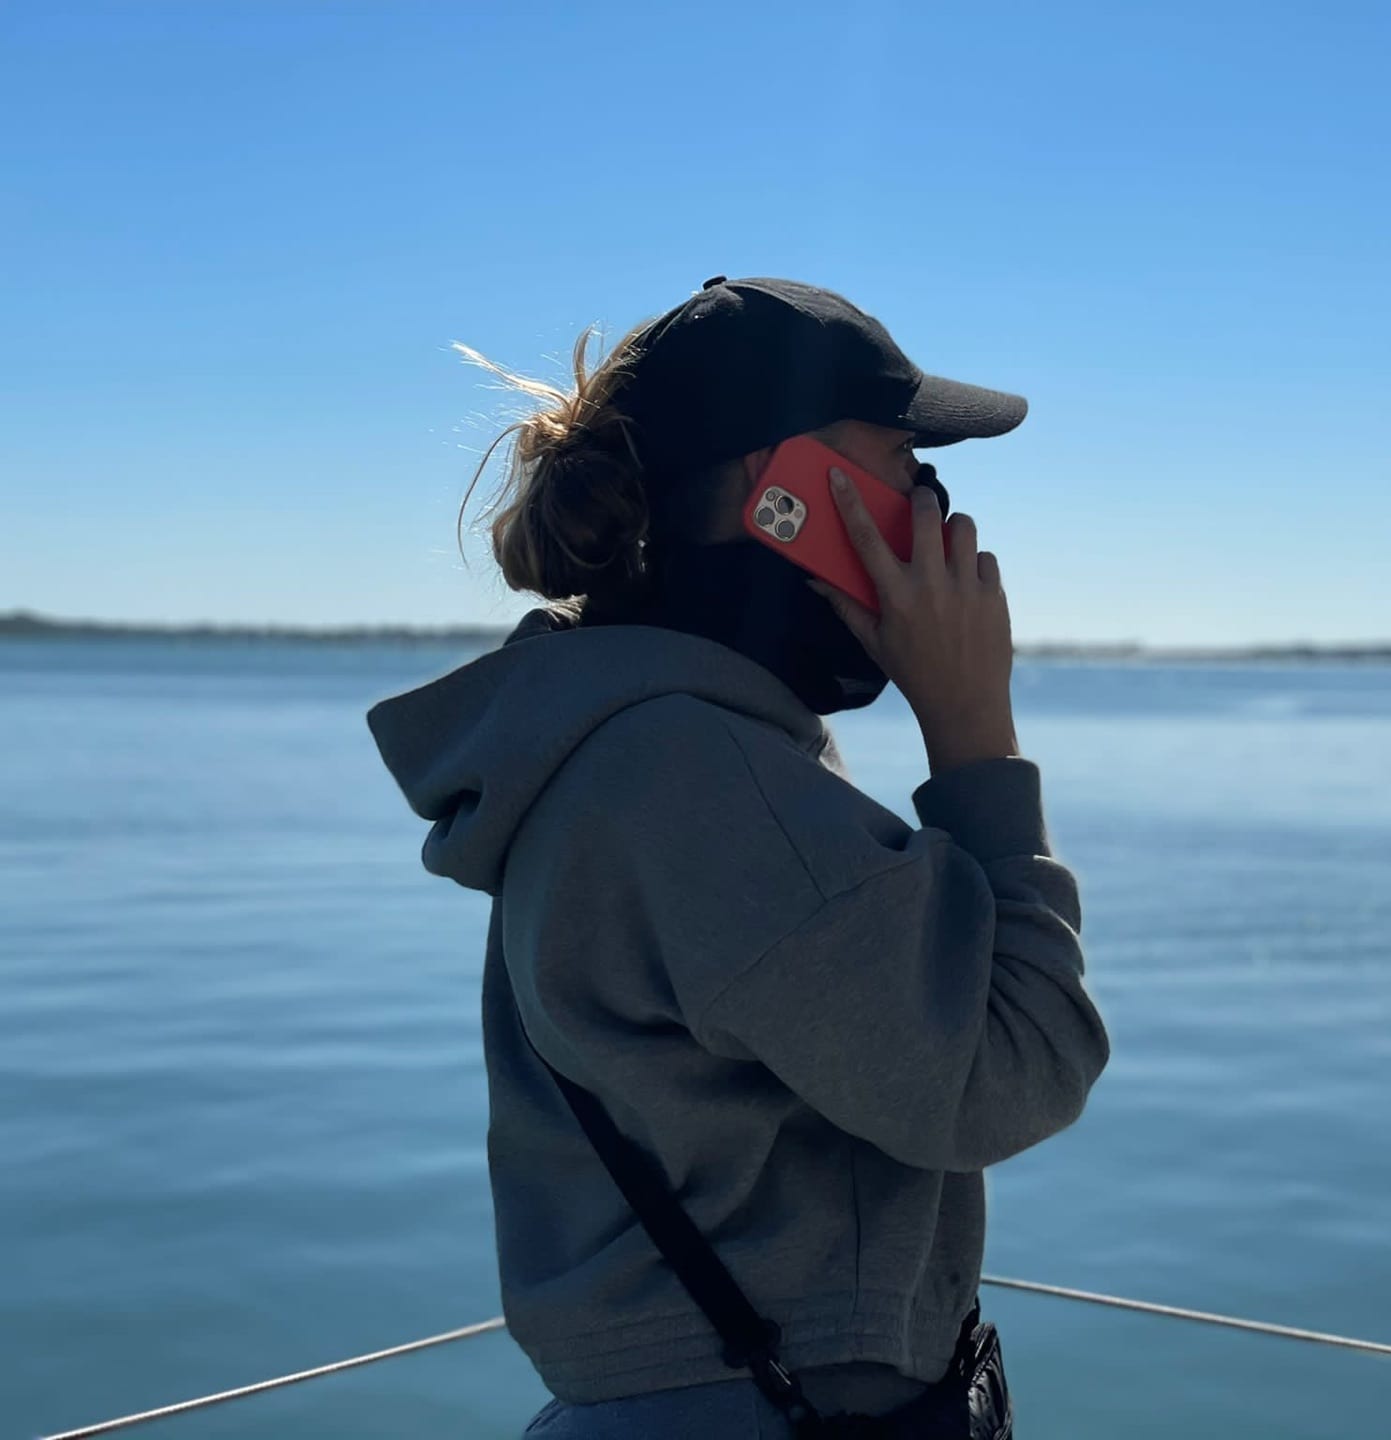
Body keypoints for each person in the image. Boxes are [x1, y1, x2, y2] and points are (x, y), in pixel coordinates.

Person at [365, 276, 1112, 1438]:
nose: (934, 521)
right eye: (905, 478)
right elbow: (1012, 1072)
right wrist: (976, 738)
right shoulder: (696, 772)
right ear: (783, 504)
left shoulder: (630, 743)